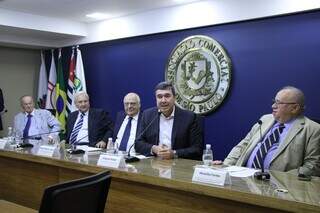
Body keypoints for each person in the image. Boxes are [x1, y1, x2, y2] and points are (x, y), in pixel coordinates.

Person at [215, 86, 320, 176]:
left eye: (278, 103)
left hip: (280, 187)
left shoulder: (313, 129)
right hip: (243, 176)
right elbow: (243, 145)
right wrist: (226, 166)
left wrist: (280, 178)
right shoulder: (265, 119)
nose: (273, 106)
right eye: (274, 102)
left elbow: (312, 166)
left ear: (295, 108)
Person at [135, 81, 203, 160]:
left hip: (179, 165)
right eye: (159, 97)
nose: (163, 100)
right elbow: (138, 143)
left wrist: (174, 153)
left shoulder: (190, 117)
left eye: (167, 96)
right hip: (154, 164)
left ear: (174, 98)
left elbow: (197, 149)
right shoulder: (147, 115)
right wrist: (154, 149)